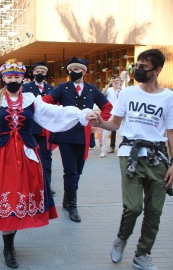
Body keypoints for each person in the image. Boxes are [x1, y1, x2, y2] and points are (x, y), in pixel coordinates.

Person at [0, 59, 98, 269]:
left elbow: (53, 112)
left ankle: (11, 242)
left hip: (26, 154)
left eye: (16, 77)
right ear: (3, 78)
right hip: (1, 155)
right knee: (6, 198)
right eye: (9, 77)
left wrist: (82, 113)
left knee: (18, 198)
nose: (13, 80)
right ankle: (8, 247)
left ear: (23, 78)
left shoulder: (31, 99)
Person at [91, 49, 173, 270]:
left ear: (156, 70)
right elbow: (115, 124)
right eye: (136, 66)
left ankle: (142, 254)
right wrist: (99, 121)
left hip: (158, 158)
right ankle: (121, 238)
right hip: (130, 155)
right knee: (134, 207)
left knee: (155, 211)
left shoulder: (168, 97)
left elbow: (171, 133)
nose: (137, 70)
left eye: (143, 67)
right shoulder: (127, 94)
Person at [42, 56, 112, 222]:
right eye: (71, 70)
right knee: (71, 170)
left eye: (77, 69)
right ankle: (73, 206)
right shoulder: (62, 87)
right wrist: (56, 116)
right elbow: (46, 101)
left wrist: (99, 122)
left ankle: (67, 199)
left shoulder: (91, 89)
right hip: (65, 135)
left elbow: (107, 107)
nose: (74, 72)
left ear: (84, 71)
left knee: (78, 170)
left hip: (83, 136)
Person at [22, 62, 55, 195]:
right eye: (37, 71)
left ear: (46, 73)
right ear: (33, 73)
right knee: (30, 154)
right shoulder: (26, 87)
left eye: (42, 72)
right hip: (31, 127)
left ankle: (47, 184)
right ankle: (30, 183)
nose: (39, 74)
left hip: (46, 128)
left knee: (47, 156)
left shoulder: (51, 88)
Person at [100, 75, 122, 157]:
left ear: (120, 81)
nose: (115, 82)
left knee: (120, 133)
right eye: (114, 81)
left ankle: (119, 150)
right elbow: (102, 94)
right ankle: (103, 150)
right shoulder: (109, 90)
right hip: (110, 113)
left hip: (120, 113)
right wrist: (109, 83)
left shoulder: (123, 91)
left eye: (117, 80)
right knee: (105, 132)